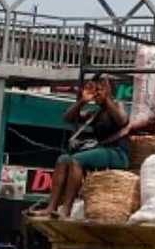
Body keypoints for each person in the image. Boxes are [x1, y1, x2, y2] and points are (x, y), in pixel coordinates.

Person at [29, 76, 130, 219]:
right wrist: (82, 101)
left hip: (117, 153)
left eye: (100, 90)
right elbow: (68, 118)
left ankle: (66, 209)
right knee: (63, 159)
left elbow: (122, 120)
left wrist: (107, 99)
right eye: (96, 91)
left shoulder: (118, 105)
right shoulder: (95, 113)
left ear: (109, 91)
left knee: (76, 160)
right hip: (102, 151)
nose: (97, 94)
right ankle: (51, 207)